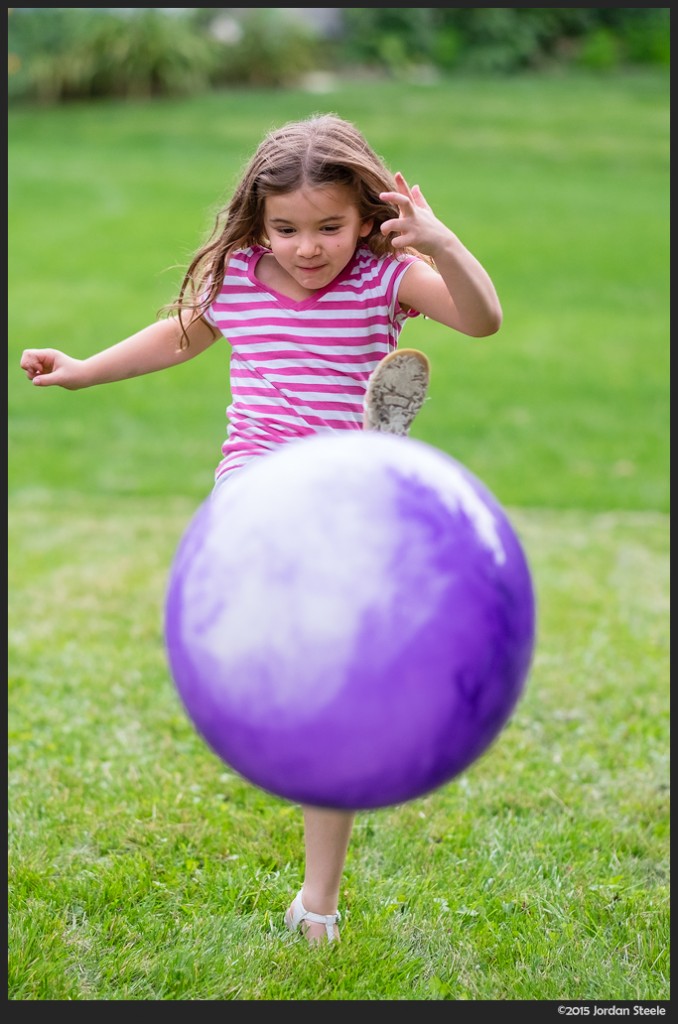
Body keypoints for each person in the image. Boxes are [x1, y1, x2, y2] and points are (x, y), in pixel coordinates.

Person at [20, 112, 502, 946]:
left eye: (329, 228)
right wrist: (83, 372)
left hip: (347, 502)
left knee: (335, 706)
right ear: (258, 219)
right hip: (257, 484)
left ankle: (319, 904)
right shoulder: (241, 276)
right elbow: (179, 336)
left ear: (366, 217)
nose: (307, 248)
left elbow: (482, 319)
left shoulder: (385, 279)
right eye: (286, 229)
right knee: (264, 584)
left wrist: (441, 243)